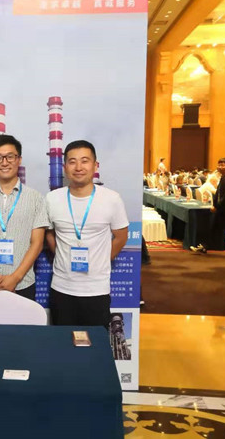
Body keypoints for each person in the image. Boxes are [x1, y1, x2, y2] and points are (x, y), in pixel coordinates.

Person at [45, 140, 129, 327]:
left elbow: (121, 236)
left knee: (95, 342)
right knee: (62, 341)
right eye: (72, 161)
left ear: (95, 165)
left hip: (96, 289)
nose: (78, 167)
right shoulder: (52, 199)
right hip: (62, 288)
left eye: (84, 161)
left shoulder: (111, 199)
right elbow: (49, 233)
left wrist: (101, 260)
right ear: (65, 167)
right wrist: (61, 256)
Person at [0, 134, 49, 300]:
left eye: (10, 157)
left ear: (19, 160)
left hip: (22, 284)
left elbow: (37, 243)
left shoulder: (36, 198)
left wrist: (15, 278)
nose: (4, 162)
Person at [191, 158, 225, 254]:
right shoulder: (224, 177)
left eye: (223, 165)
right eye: (219, 165)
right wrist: (215, 204)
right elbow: (218, 193)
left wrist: (217, 206)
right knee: (215, 228)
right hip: (222, 208)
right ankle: (205, 246)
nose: (220, 167)